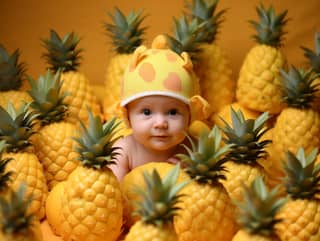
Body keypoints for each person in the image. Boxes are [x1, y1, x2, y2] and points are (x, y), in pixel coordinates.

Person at [110, 35, 210, 181]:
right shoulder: (124, 151)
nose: (160, 123)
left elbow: (211, 193)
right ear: (127, 116)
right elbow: (113, 194)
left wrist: (193, 173)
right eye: (146, 112)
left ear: (190, 114)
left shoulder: (195, 149)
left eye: (173, 112)